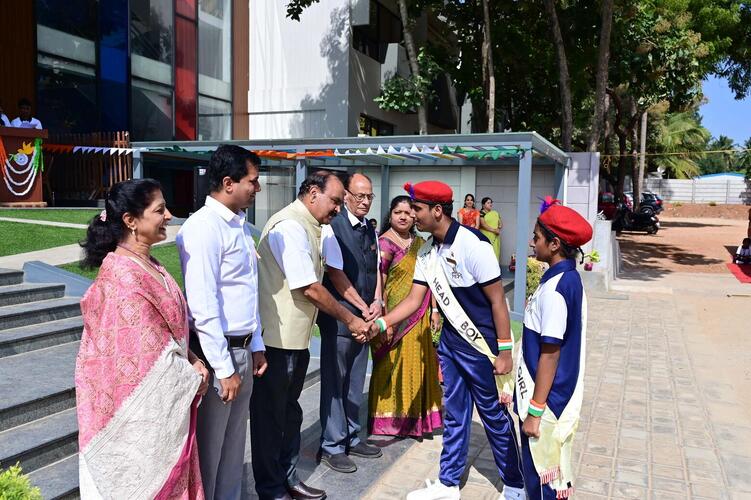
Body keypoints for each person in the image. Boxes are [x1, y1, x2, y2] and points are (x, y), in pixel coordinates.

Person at [370, 181, 525, 500]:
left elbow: (498, 300)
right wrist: (382, 322)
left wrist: (505, 351)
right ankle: (448, 482)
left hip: (481, 347)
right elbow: (414, 299)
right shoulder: (427, 250)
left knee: (493, 415)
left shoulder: (474, 244)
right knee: (454, 413)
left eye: (417, 209)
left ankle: (515, 485)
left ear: (437, 211)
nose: (413, 215)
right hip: (452, 346)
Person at [75, 179, 208, 499]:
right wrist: (191, 375)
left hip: (166, 402)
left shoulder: (150, 265)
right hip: (135, 417)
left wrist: (192, 359)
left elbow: (163, 335)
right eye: (160, 210)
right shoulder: (122, 276)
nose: (169, 216)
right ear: (131, 221)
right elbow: (140, 361)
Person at [250, 171, 371, 500]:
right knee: (271, 419)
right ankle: (271, 488)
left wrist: (360, 309)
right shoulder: (290, 226)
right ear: (313, 193)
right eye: (335, 200)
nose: (338, 208)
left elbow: (330, 275)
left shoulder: (314, 225)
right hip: (275, 341)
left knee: (290, 414)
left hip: (295, 339)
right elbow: (310, 288)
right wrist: (351, 319)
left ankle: (287, 479)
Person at [176, 145, 267, 500]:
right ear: (229, 183)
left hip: (242, 350)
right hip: (219, 354)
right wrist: (223, 367)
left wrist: (256, 345)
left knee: (233, 448)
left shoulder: (239, 225)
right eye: (252, 181)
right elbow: (203, 304)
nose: (257, 188)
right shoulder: (203, 228)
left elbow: (247, 291)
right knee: (211, 452)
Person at [517, 198, 592, 500]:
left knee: (542, 478)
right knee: (549, 476)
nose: (532, 242)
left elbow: (550, 353)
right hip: (553, 394)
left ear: (555, 244)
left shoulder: (556, 289)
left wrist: (535, 411)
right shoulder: (566, 278)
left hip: (547, 401)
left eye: (536, 237)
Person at [317, 173, 383, 473]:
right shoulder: (334, 227)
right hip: (341, 318)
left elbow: (376, 269)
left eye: (369, 196)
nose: (365, 202)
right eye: (360, 196)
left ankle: (353, 436)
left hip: (366, 318)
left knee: (356, 380)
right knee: (335, 382)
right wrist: (362, 307)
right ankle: (333, 444)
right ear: (346, 196)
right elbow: (336, 274)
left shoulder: (370, 229)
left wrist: (377, 303)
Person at [368, 195, 443, 438]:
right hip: (393, 316)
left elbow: (430, 280)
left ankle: (415, 420)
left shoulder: (421, 243)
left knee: (417, 364)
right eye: (398, 212)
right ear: (390, 214)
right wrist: (385, 318)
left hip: (419, 316)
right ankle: (389, 420)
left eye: (408, 213)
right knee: (391, 366)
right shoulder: (384, 243)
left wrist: (434, 310)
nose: (403, 217)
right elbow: (380, 282)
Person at [479, 197, 503, 261]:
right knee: (485, 254)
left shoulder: (495, 213)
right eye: (488, 203)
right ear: (483, 205)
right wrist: (494, 230)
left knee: (495, 253)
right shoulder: (480, 213)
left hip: (495, 237)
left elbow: (500, 223)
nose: (490, 204)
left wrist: (499, 227)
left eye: (491, 203)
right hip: (485, 237)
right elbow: (483, 225)